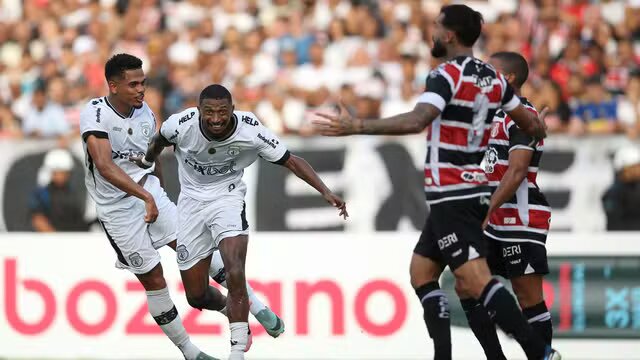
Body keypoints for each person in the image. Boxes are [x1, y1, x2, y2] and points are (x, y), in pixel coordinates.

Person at [313, 5, 559, 360]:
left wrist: (359, 126)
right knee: (422, 272)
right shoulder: (491, 78)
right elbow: (531, 123)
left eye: (436, 26)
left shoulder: (446, 75)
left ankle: (541, 354)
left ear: (449, 35)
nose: (431, 32)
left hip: (454, 191)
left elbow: (418, 120)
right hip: (466, 191)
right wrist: (538, 126)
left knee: (477, 281)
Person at [79, 54, 282, 360]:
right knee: (155, 280)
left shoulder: (145, 114)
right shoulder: (95, 112)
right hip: (116, 209)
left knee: (200, 251)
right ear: (113, 85)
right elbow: (105, 166)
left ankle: (256, 306)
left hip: (149, 193)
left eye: (143, 83)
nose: (140, 89)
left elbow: (152, 154)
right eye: (133, 84)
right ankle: (192, 352)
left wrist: (155, 192)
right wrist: (146, 197)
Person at [131, 84, 347, 360]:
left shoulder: (251, 129)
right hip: (191, 204)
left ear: (233, 109)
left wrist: (326, 191)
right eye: (209, 112)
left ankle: (237, 351)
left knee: (235, 269)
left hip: (228, 198)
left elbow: (291, 160)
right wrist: (148, 161)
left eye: (223, 111)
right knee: (196, 296)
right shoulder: (181, 125)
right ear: (198, 111)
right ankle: (256, 310)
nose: (217, 118)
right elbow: (159, 141)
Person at [460, 52, 554, 359]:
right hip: (491, 218)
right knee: (465, 283)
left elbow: (516, 173)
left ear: (508, 79)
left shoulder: (523, 114)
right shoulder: (485, 115)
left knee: (528, 298)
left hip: (519, 219)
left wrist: (485, 212)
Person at [29, 148, 89, 232]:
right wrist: (56, 239)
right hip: (52, 240)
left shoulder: (72, 193)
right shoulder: (42, 194)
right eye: (58, 172)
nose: (61, 176)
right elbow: (38, 219)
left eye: (64, 172)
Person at [602, 145, 640, 230]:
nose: (638, 170)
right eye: (634, 166)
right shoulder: (613, 193)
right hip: (622, 240)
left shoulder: (637, 189)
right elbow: (615, 222)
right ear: (623, 169)